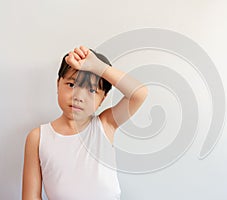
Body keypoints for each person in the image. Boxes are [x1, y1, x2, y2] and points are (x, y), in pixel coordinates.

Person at [22, 46, 148, 199]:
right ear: (58, 84)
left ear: (102, 99)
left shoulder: (105, 124)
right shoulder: (38, 137)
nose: (78, 97)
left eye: (92, 90)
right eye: (72, 85)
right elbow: (30, 197)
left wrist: (98, 67)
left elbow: (139, 93)